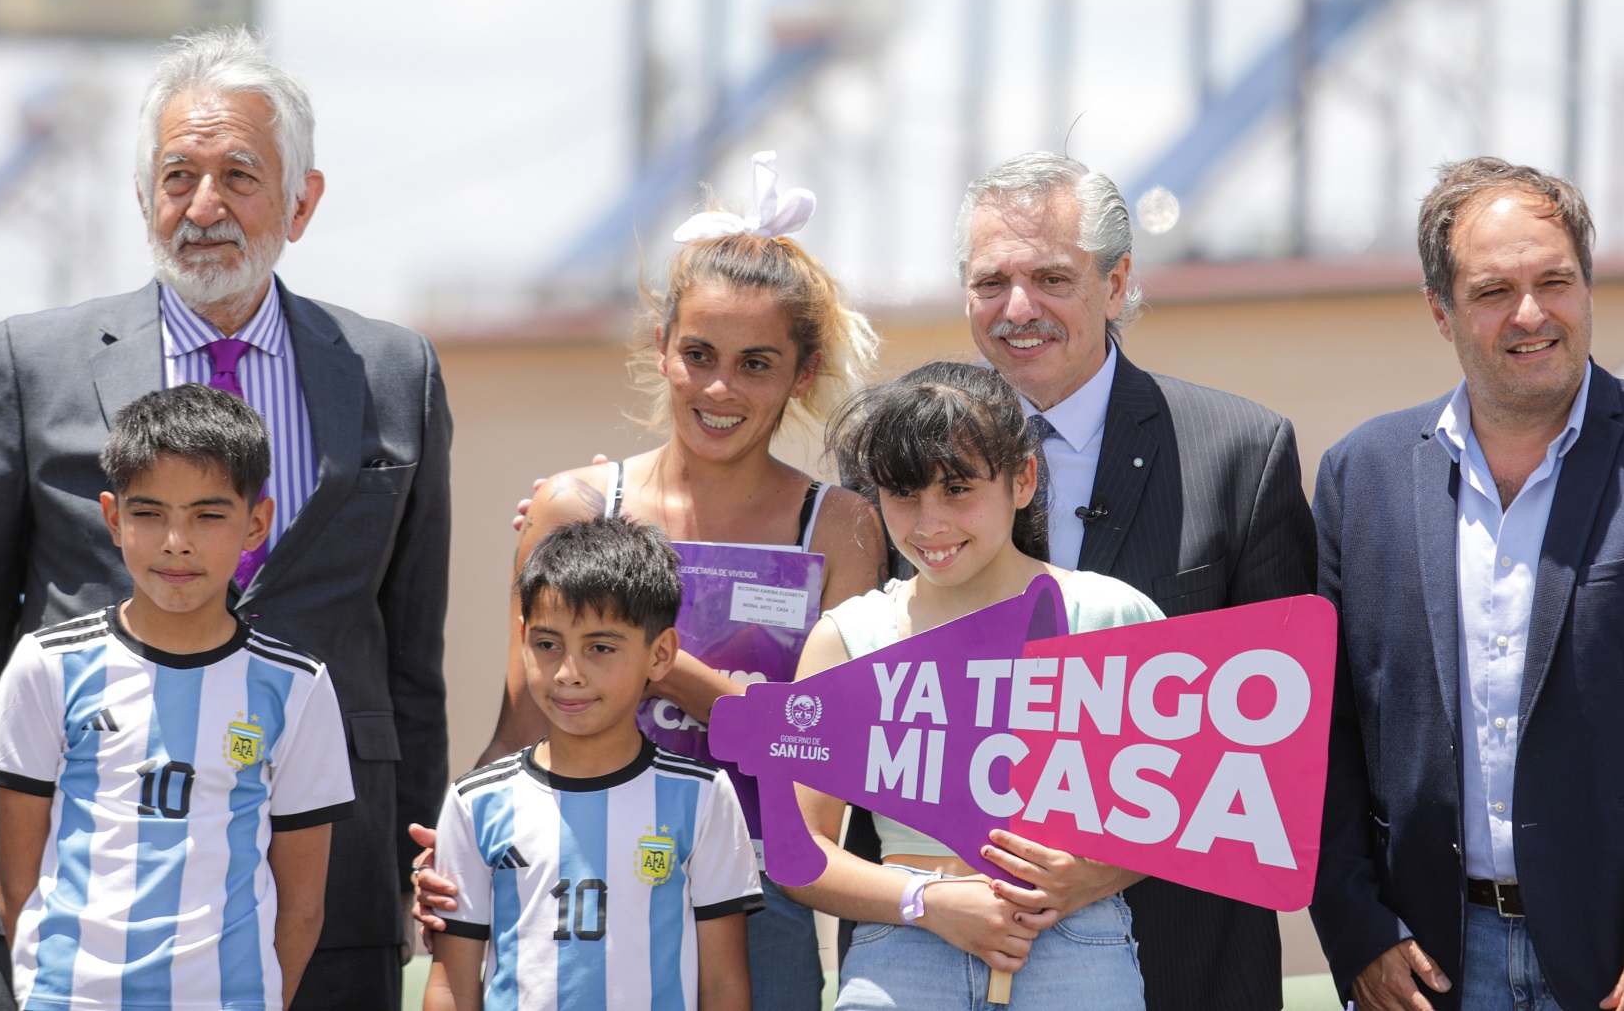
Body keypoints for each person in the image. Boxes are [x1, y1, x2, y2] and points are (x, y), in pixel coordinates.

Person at [0, 27, 452, 1011]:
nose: (204, 208)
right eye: (176, 175)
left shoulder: (393, 375)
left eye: (239, 175)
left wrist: (417, 851)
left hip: (327, 874)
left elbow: (410, 650)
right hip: (81, 882)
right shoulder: (41, 364)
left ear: (301, 200)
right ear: (144, 197)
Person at [1308, 158, 1624, 1011]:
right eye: (1494, 288)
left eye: (1555, 281)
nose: (1530, 313)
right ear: (1440, 310)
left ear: (1589, 286)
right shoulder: (1363, 477)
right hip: (1428, 971)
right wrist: (1357, 930)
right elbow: (1322, 726)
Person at [415, 154, 883, 1010]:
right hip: (574, 875)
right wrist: (457, 846)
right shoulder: (575, 505)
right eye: (698, 352)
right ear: (660, 347)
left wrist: (658, 665)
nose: (719, 386)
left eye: (756, 362)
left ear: (800, 374)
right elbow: (520, 720)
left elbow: (828, 755)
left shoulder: (842, 527)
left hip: (762, 900)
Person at [953, 152, 1315, 1010]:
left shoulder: (1239, 455)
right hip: (947, 955)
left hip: (1179, 960)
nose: (1018, 309)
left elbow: (1289, 732)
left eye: (1052, 277)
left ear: (1116, 284)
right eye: (990, 282)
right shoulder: (897, 463)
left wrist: (1116, 857)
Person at [791, 360, 1159, 1010]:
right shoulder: (847, 636)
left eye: (958, 488)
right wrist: (925, 901)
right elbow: (800, 848)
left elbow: (1193, 812)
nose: (929, 523)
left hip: (1074, 946)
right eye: (903, 492)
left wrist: (1087, 875)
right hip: (901, 952)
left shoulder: (1110, 615)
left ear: (1023, 478)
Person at [0, 384, 354, 1011]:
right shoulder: (48, 665)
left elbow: (304, 903)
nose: (176, 540)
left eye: (208, 515)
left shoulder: (296, 685)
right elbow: (17, 882)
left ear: (255, 523)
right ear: (112, 516)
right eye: (149, 513)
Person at [423, 514, 761, 1011]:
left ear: (660, 654)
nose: (568, 673)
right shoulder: (476, 802)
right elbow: (451, 985)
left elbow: (724, 985)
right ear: (522, 640)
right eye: (547, 644)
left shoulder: (703, 796)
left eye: (601, 647)